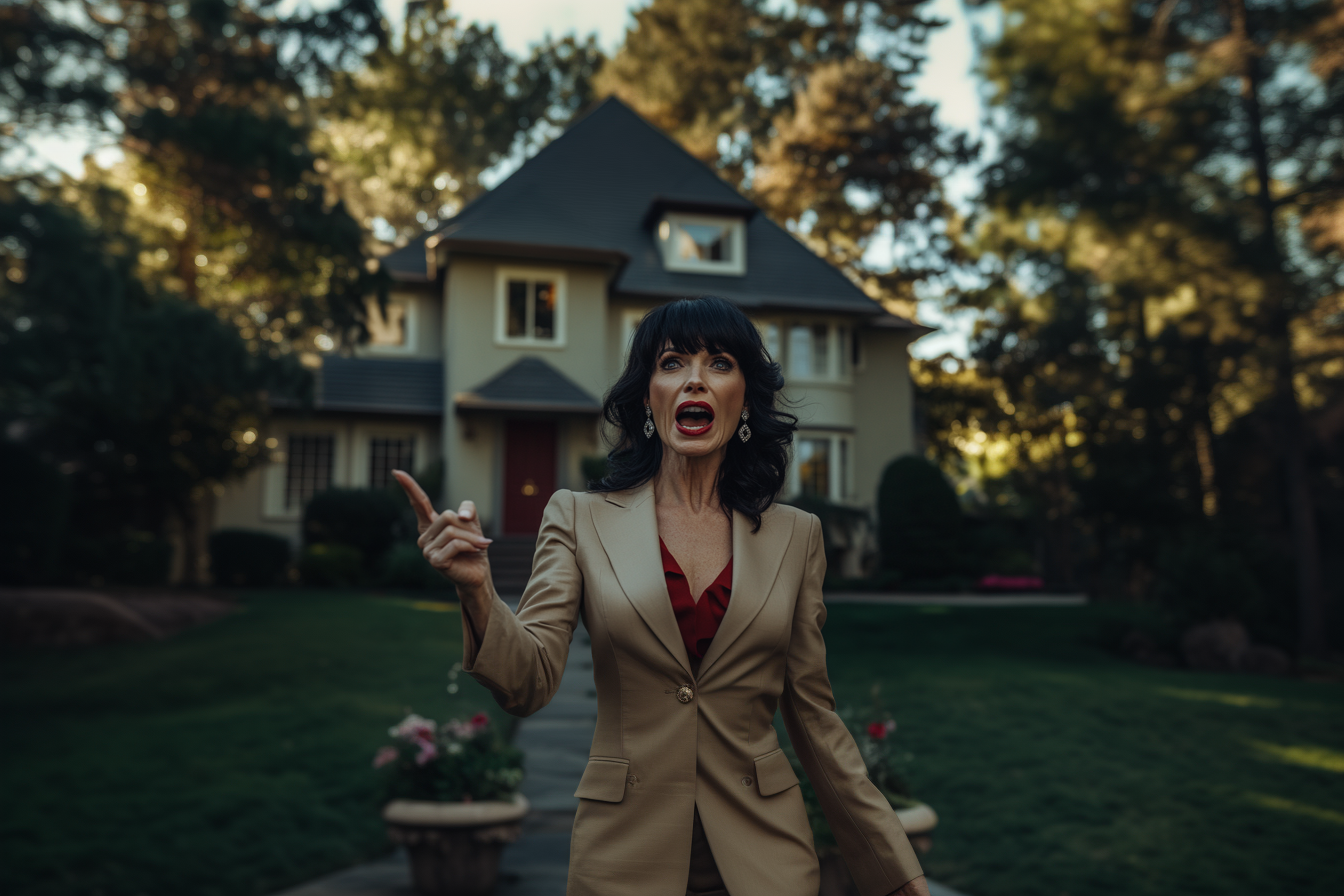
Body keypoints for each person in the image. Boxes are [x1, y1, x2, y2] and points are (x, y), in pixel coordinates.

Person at [393, 296, 929, 896]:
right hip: (623, 855)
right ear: (649, 396)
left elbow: (814, 718)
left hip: (767, 859)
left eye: (719, 363)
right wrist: (479, 593)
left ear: (746, 397)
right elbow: (529, 682)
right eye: (672, 362)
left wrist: (896, 874)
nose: (695, 379)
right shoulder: (578, 517)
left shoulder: (796, 536)